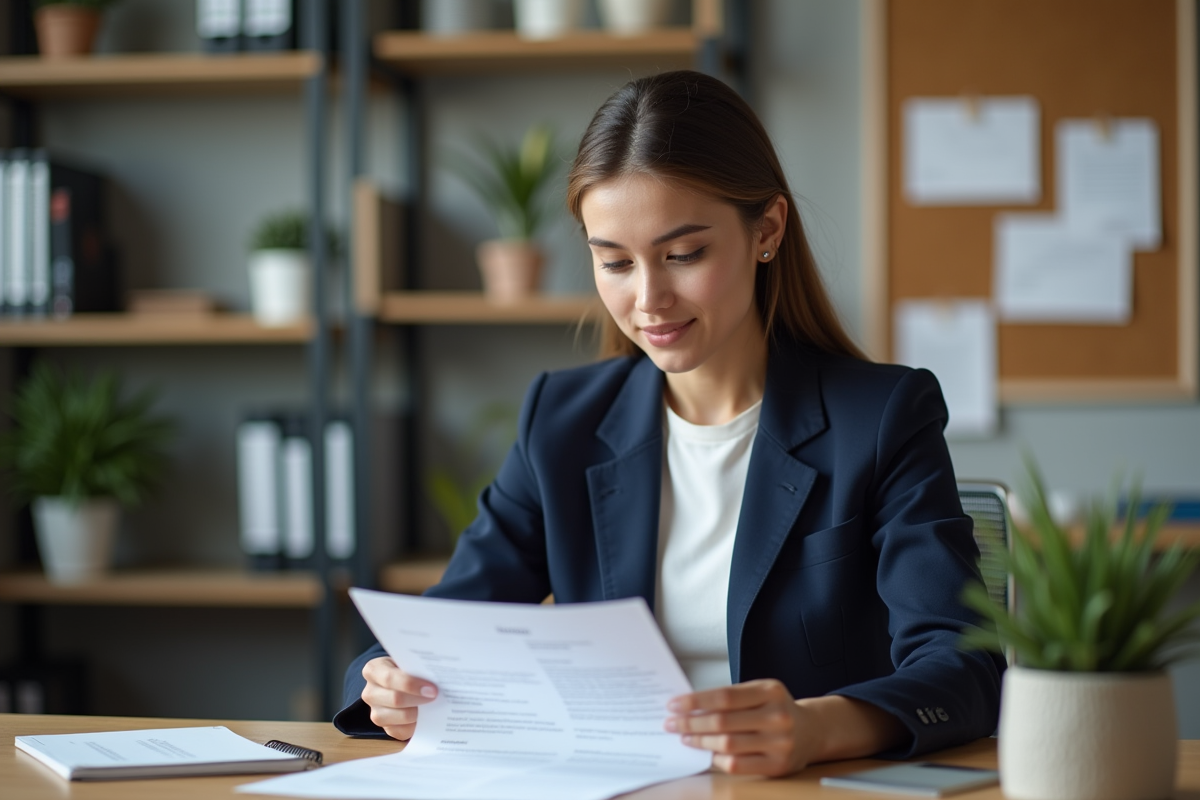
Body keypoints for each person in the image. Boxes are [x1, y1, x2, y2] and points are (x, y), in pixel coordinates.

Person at [334, 69, 1004, 777]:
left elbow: (964, 667)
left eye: (683, 255)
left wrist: (815, 727)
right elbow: (444, 630)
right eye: (614, 262)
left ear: (766, 231)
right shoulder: (562, 421)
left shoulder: (882, 416)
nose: (648, 299)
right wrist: (388, 683)